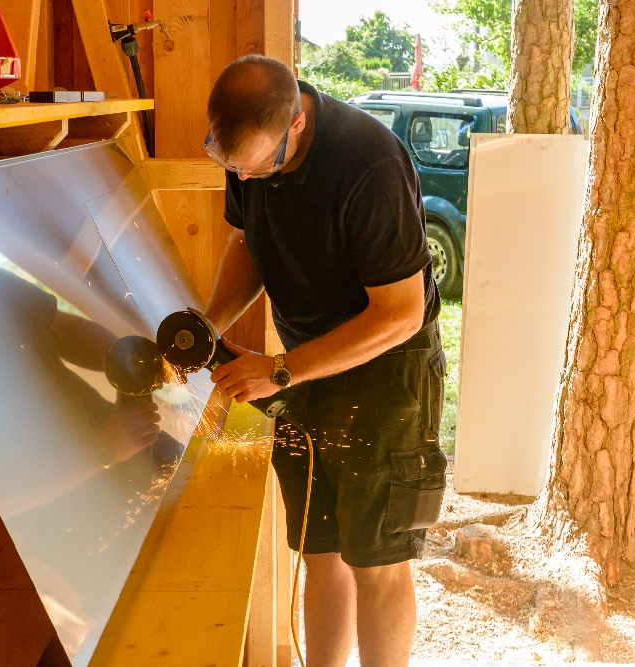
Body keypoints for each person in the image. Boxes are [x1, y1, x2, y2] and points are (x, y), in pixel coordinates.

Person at [203, 54, 448, 667]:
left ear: (296, 123)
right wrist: (209, 325)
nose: (247, 177)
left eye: (260, 166)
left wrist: (281, 370)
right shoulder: (247, 147)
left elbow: (400, 314)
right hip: (304, 363)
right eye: (234, 168)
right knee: (322, 550)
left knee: (377, 559)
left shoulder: (370, 164)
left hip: (386, 370)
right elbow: (248, 241)